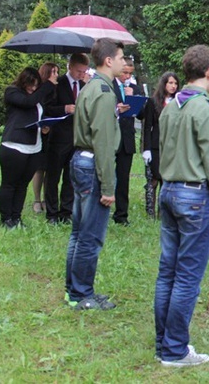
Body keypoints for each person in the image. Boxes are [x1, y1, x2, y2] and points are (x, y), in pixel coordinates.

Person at [154, 44, 209, 367]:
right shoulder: (207, 109)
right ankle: (174, 350)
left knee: (167, 273)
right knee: (187, 277)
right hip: (194, 197)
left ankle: (164, 343)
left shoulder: (170, 107)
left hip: (169, 190)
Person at [65, 39, 125, 310]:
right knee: (90, 236)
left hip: (81, 160)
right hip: (92, 165)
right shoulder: (103, 92)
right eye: (121, 58)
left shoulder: (91, 87)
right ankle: (81, 294)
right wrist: (109, 186)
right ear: (109, 60)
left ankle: (74, 290)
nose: (125, 63)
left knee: (78, 232)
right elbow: (102, 142)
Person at [0, 67, 55, 228]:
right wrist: (48, 85)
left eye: (36, 85)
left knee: (22, 184)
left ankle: (16, 217)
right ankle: (6, 219)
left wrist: (45, 126)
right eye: (30, 85)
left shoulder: (36, 96)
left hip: (34, 146)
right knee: (9, 183)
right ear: (23, 82)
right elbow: (28, 103)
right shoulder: (12, 92)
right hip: (14, 146)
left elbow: (37, 112)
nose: (33, 88)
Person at [44, 53, 90, 225]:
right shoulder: (58, 84)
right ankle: (52, 212)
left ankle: (66, 211)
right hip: (59, 137)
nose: (81, 74)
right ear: (70, 66)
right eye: (79, 71)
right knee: (53, 176)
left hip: (77, 137)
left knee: (71, 177)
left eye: (84, 71)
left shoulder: (85, 85)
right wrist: (64, 108)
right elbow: (47, 108)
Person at [110, 57, 144, 226]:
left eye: (130, 74)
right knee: (107, 175)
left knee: (123, 178)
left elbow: (142, 113)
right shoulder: (109, 85)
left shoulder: (135, 88)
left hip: (127, 138)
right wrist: (117, 108)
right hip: (111, 136)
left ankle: (121, 214)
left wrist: (134, 99)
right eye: (124, 72)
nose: (127, 77)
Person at [142, 72, 180, 218]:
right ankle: (150, 212)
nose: (173, 86)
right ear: (164, 84)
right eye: (170, 83)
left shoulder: (178, 102)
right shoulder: (153, 102)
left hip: (172, 146)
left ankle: (162, 212)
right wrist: (146, 149)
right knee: (154, 179)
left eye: (175, 83)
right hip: (156, 146)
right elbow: (147, 127)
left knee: (167, 179)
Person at [30, 62, 59, 213]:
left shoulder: (58, 88)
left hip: (56, 132)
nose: (56, 75)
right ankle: (36, 199)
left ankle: (47, 199)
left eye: (57, 72)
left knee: (51, 168)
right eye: (53, 72)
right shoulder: (41, 89)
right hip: (42, 132)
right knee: (40, 168)